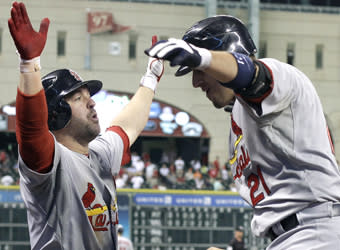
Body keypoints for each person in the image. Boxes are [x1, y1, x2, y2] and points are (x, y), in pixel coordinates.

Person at [145, 15, 340, 249]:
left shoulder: (285, 75)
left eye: (199, 70)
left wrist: (203, 57)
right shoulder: (237, 120)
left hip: (316, 228)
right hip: (290, 237)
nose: (196, 82)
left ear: (228, 53)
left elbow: (256, 77)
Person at [8, 2, 163, 249]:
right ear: (57, 113)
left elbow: (127, 125)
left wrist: (151, 78)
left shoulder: (99, 154)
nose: (91, 102)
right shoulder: (53, 163)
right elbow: (31, 131)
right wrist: (29, 64)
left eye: (88, 96)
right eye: (78, 98)